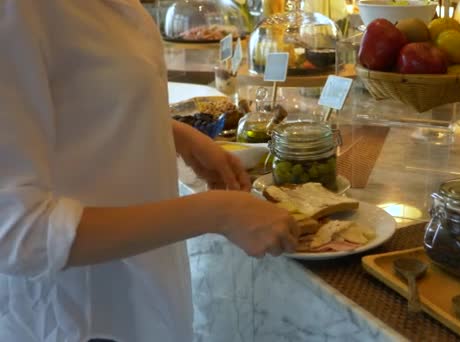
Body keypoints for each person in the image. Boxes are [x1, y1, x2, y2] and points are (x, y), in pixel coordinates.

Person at [0, 1, 298, 341]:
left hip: (140, 294)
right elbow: (15, 233)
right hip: (81, 314)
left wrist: (169, 131)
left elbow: (75, 94)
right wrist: (220, 212)